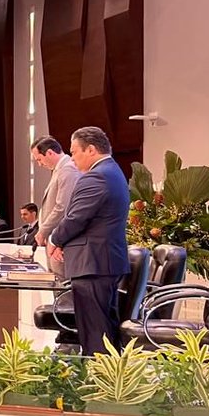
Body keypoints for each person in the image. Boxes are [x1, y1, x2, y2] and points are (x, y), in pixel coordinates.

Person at [48, 126, 130, 356]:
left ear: (91, 150)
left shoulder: (98, 176)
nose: (72, 159)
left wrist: (55, 239)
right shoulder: (110, 172)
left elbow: (76, 218)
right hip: (98, 263)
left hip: (94, 264)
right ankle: (103, 380)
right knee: (99, 331)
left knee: (96, 334)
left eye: (74, 152)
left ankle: (100, 384)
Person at [31, 135, 81, 277]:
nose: (40, 164)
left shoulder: (68, 169)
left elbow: (62, 207)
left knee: (62, 285)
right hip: (54, 238)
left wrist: (43, 231)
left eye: (39, 159)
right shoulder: (60, 170)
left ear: (50, 153)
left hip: (61, 241)